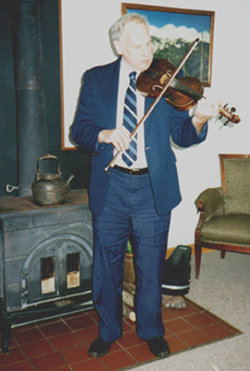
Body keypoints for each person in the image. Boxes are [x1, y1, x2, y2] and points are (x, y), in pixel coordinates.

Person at [71, 13, 218, 358]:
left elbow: (181, 135)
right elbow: (79, 130)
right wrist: (104, 134)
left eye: (149, 42)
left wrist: (198, 117)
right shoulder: (96, 79)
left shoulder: (170, 80)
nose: (147, 52)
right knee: (107, 264)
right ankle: (107, 331)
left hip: (153, 187)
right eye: (137, 46)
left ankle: (151, 329)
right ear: (119, 46)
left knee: (150, 264)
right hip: (111, 186)